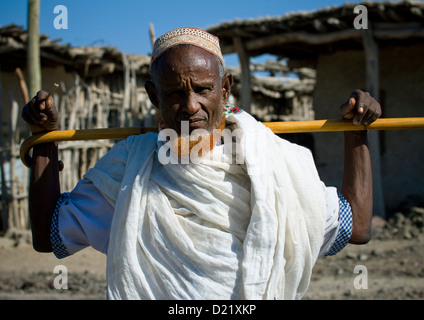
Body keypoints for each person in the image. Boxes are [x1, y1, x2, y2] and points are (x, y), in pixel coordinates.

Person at [21, 27, 381, 300]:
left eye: (203, 89)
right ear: (153, 96)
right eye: (176, 92)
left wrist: (357, 134)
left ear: (225, 89)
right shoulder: (131, 168)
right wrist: (44, 142)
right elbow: (50, 235)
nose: (190, 106)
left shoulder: (273, 162)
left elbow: (357, 227)